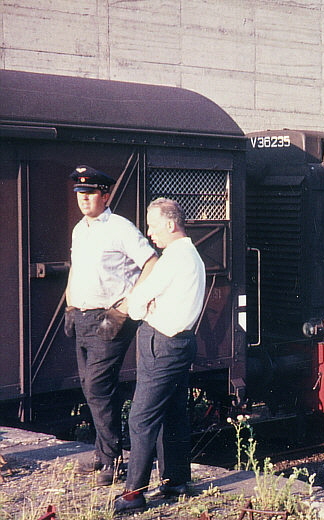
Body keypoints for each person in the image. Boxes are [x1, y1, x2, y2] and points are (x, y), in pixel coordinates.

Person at [65, 166, 157, 486]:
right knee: (92, 388)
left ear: (105, 196)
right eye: (80, 194)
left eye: (90, 193)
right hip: (83, 316)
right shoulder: (80, 229)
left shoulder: (120, 227)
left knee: (98, 387)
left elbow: (151, 262)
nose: (84, 199)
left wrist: (127, 308)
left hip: (111, 318)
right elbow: (77, 270)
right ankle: (104, 454)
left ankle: (113, 461)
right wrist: (70, 304)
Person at [113, 198, 206, 514]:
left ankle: (133, 494)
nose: (150, 233)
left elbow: (137, 304)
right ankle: (176, 481)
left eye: (152, 226)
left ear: (170, 224)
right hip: (181, 344)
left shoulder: (172, 261)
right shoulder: (192, 256)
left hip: (161, 345)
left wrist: (142, 305)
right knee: (173, 413)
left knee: (141, 416)